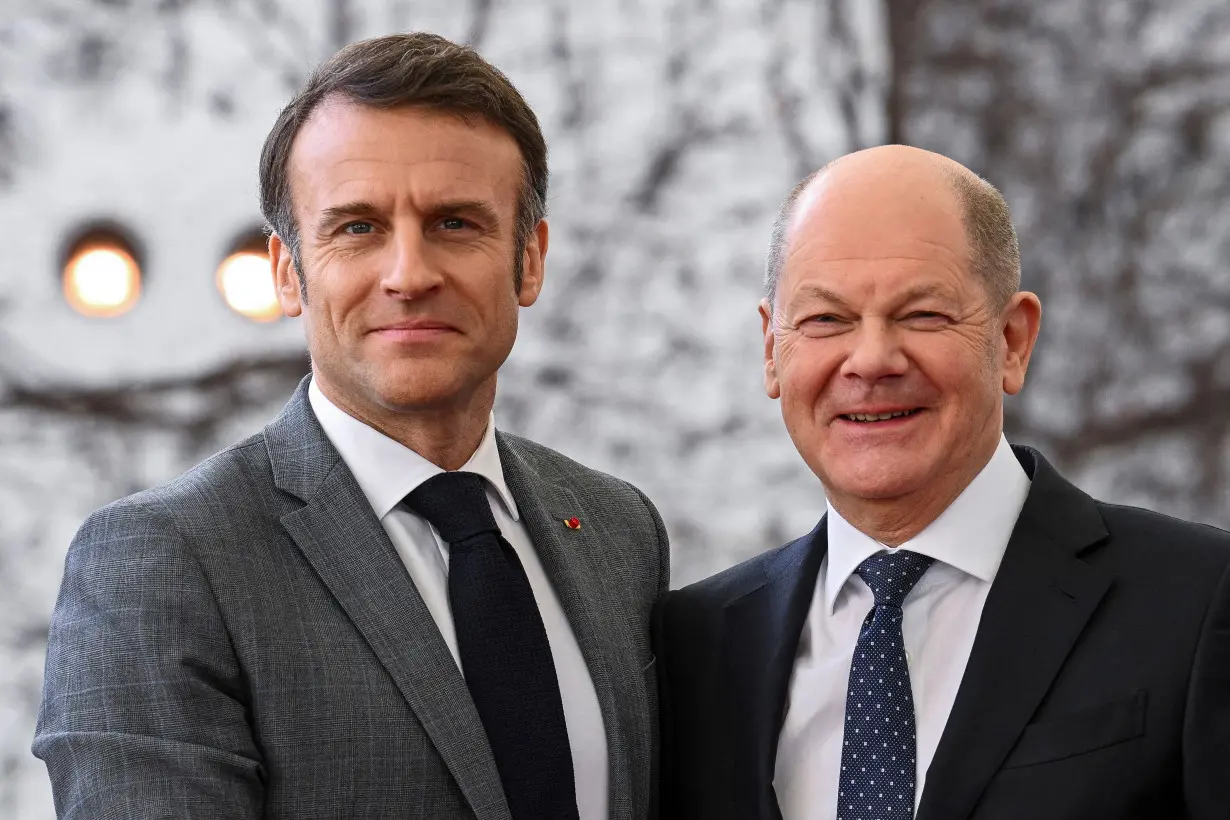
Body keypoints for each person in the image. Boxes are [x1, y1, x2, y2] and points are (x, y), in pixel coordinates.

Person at [34, 32, 668, 820]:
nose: (409, 275)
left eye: (456, 224)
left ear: (529, 259)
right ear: (287, 273)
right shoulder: (163, 562)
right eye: (358, 228)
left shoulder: (616, 530)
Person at [655, 144, 1230, 820]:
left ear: (1013, 340)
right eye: (825, 320)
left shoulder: (1198, 600)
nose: (870, 359)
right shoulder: (692, 647)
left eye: (923, 314)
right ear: (771, 349)